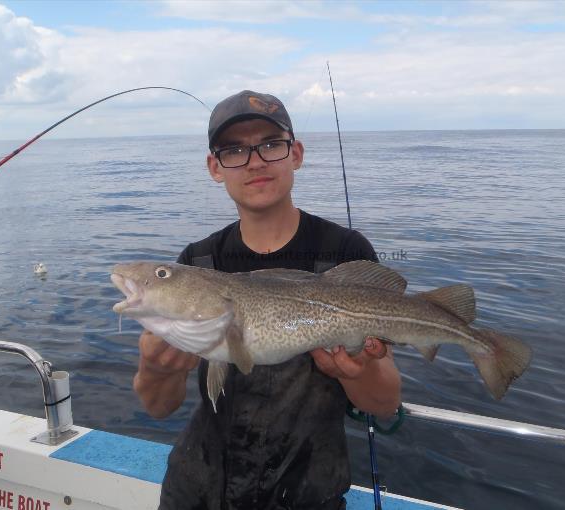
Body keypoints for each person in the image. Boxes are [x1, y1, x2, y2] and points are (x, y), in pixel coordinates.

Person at [133, 90, 402, 510]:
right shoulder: (198, 261)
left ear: (295, 153)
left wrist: (354, 372)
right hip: (197, 491)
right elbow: (158, 407)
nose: (255, 161)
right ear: (214, 167)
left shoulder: (344, 251)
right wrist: (156, 367)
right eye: (234, 149)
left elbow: (384, 403)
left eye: (270, 144)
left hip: (307, 492)